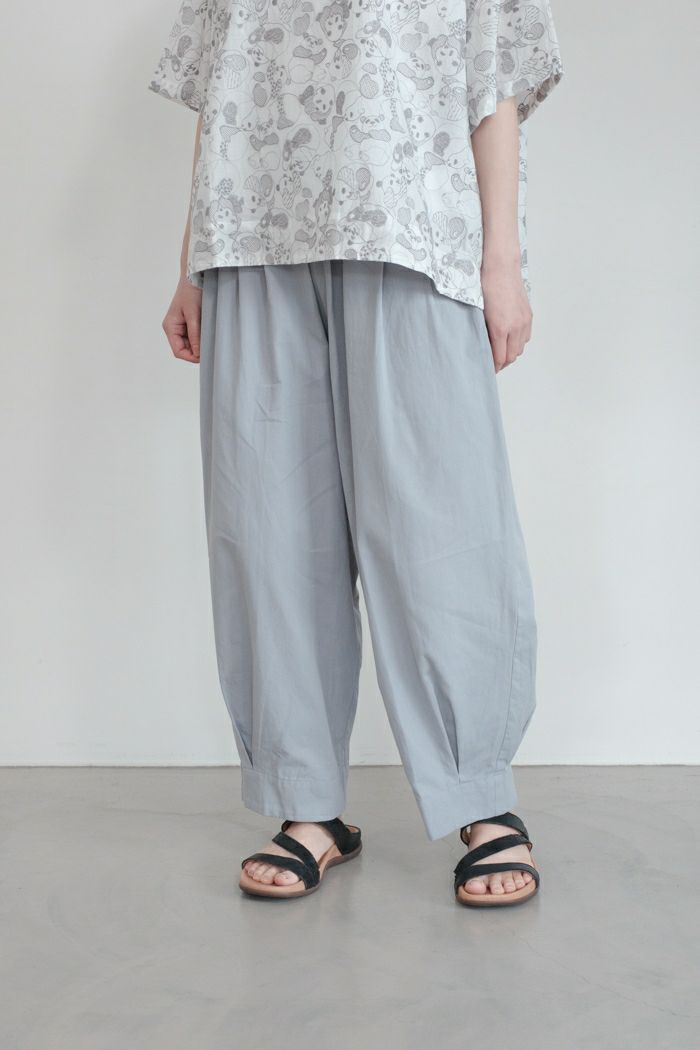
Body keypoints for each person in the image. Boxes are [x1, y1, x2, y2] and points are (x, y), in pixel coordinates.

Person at [149, 0, 563, 906]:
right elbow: (222, 95)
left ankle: (481, 797)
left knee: (440, 527)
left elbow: (492, 82)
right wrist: (188, 264)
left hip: (411, 231)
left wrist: (502, 262)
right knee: (267, 530)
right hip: (251, 238)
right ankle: (307, 805)